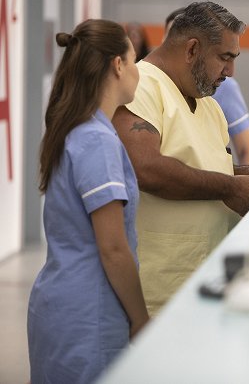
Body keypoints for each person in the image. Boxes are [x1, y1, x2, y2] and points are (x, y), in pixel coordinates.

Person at [112, 1, 249, 316]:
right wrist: (228, 187)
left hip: (205, 283)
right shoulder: (143, 86)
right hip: (156, 292)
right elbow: (145, 168)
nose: (230, 72)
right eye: (224, 58)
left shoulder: (208, 104)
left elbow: (207, 166)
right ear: (192, 49)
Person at [28, 19, 149, 383]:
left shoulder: (73, 130)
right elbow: (112, 247)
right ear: (118, 65)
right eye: (133, 59)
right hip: (87, 316)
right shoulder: (97, 140)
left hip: (59, 307)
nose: (137, 70)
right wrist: (140, 318)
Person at [164, 7, 249, 166]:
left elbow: (242, 153)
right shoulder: (148, 84)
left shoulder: (213, 99)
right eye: (223, 58)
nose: (230, 72)